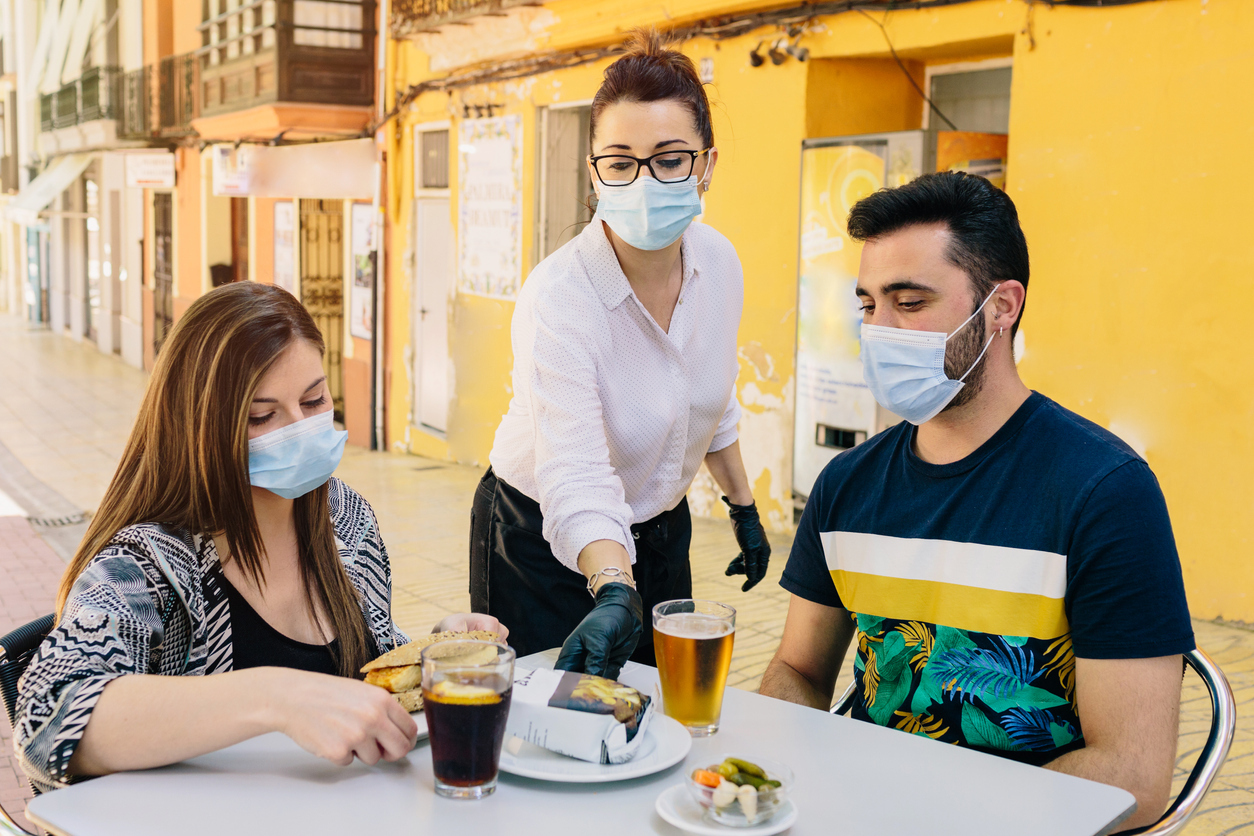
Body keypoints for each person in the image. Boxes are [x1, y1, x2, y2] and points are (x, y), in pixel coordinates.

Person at [759, 172, 1193, 831]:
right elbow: (798, 667)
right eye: (868, 305)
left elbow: (1131, 776)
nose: (879, 329)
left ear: (1001, 307)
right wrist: (764, 773)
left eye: (909, 301)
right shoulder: (848, 484)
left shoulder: (1104, 492)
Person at [14, 282, 505, 793]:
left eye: (314, 399)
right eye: (261, 416)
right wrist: (275, 697)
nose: (301, 428)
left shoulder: (346, 518)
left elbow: (360, 681)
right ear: (202, 425)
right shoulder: (146, 569)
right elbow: (43, 726)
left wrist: (430, 653)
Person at [471, 29, 771, 680]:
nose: (644, 180)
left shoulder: (718, 263)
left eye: (669, 159)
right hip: (540, 535)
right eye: (620, 161)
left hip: (660, 529)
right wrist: (613, 587)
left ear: (707, 165)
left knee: (657, 710)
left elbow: (709, 400)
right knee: (552, 719)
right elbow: (575, 472)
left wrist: (743, 508)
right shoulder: (561, 297)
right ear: (595, 172)